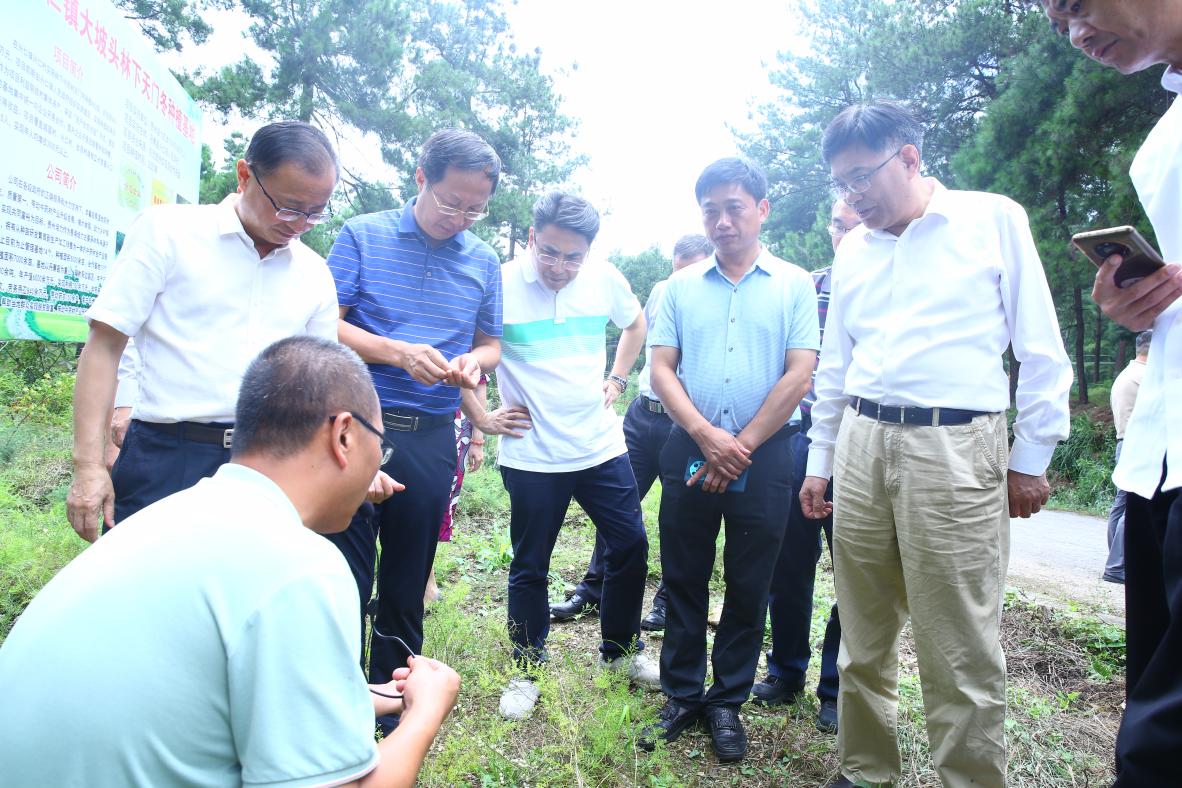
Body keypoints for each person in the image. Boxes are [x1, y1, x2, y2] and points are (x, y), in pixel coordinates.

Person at [0, 336, 460, 788]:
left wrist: (354, 696)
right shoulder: (299, 563)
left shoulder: (169, 518)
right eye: (381, 445)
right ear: (344, 435)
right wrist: (425, 710)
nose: (380, 462)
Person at [800, 101, 1073, 788]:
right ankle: (865, 768)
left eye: (861, 177)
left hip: (955, 444)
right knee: (862, 628)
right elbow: (836, 364)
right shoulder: (853, 249)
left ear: (910, 157)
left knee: (959, 641)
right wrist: (820, 459)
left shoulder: (992, 220)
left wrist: (1030, 459)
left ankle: (970, 779)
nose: (851, 197)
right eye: (841, 183)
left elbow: (1041, 349)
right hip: (862, 440)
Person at [66, 121, 348, 542]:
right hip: (167, 454)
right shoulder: (167, 232)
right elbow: (106, 346)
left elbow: (321, 385)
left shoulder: (313, 272)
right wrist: (89, 466)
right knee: (151, 575)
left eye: (315, 212)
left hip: (268, 466)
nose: (299, 224)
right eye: (289, 207)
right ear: (244, 175)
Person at [1040, 3, 1182, 783]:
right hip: (1160, 459)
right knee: (1152, 706)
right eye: (1056, 21)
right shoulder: (1160, 141)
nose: (1075, 34)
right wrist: (1142, 306)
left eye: (1076, 5)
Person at [640, 157, 819, 763]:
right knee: (683, 573)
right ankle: (682, 694)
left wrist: (739, 446)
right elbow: (662, 368)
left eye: (734, 208)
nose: (722, 221)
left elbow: (800, 373)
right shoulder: (680, 288)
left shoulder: (794, 284)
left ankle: (727, 701)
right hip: (690, 449)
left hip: (766, 456)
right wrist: (706, 435)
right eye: (710, 210)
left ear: (761, 210)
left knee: (750, 580)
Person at [325, 129, 503, 735]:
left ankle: (393, 704)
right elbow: (326, 323)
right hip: (352, 429)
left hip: (430, 434)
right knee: (343, 571)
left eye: (475, 208)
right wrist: (396, 352)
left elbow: (491, 342)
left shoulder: (482, 260)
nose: (460, 217)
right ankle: (333, 699)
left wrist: (475, 362)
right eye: (451, 201)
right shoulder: (362, 235)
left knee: (408, 575)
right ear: (421, 178)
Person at [478, 191, 656, 720]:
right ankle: (526, 669)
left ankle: (621, 652)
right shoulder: (500, 283)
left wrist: (617, 377)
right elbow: (469, 350)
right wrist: (481, 417)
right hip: (533, 453)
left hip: (599, 444)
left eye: (572, 257)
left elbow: (635, 324)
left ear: (589, 252)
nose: (559, 267)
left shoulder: (605, 278)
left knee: (630, 544)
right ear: (532, 238)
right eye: (550, 252)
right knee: (530, 563)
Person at [550, 233, 714, 632]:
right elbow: (642, 336)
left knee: (681, 516)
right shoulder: (662, 291)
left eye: (689, 272)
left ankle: (669, 601)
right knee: (617, 504)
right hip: (643, 414)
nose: (680, 281)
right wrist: (618, 377)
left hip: (687, 420)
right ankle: (595, 589)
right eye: (675, 272)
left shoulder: (721, 300)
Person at [752, 198, 860, 734]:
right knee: (789, 562)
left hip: (863, 442)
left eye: (855, 225)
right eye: (838, 224)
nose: (845, 235)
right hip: (801, 436)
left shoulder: (893, 288)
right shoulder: (807, 287)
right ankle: (785, 669)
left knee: (857, 571)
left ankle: (837, 688)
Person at [426, 374, 489, 605]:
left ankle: (427, 580)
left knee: (438, 504)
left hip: (455, 428)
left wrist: (477, 439)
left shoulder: (468, 352)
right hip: (410, 421)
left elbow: (479, 386)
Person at [1104, 330, 1152, 584]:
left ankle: (1117, 559)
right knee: (1133, 504)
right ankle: (1118, 564)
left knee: (1122, 504)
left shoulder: (1126, 374)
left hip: (1125, 441)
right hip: (1140, 444)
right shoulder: (1145, 376)